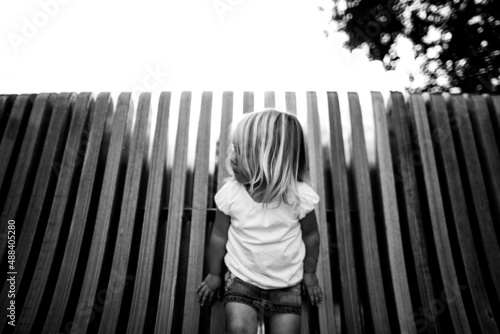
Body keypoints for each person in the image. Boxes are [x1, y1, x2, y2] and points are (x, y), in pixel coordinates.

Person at [196, 109, 323, 334]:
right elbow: (218, 235)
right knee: (238, 329)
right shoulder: (231, 194)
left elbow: (311, 236)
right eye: (233, 149)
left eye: (240, 152)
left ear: (269, 160)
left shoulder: (299, 196)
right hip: (241, 280)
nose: (231, 158)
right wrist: (215, 274)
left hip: (287, 285)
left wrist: (310, 273)